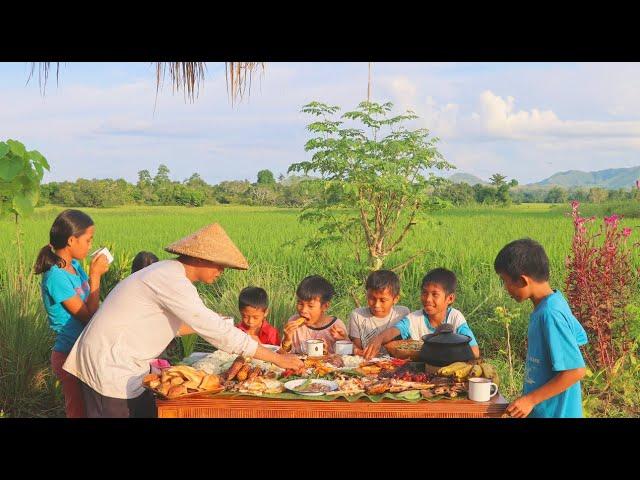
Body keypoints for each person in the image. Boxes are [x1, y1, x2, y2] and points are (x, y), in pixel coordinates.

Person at [62, 223, 303, 418]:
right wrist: (278, 359)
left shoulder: (171, 276)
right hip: (109, 366)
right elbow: (214, 329)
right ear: (199, 259)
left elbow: (174, 325)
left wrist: (220, 325)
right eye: (220, 265)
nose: (221, 272)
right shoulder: (170, 279)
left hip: (126, 365)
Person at [494, 238, 587, 418]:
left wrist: (530, 400)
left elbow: (575, 370)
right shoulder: (554, 302)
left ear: (522, 280)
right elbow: (578, 338)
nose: (506, 289)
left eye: (505, 281)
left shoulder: (550, 314)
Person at [34, 209, 110, 418]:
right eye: (88, 240)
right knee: (79, 412)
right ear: (71, 240)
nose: (90, 245)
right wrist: (95, 275)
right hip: (70, 355)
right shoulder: (56, 277)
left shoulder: (75, 267)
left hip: (84, 351)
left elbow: (92, 304)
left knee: (94, 409)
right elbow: (87, 315)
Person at [363, 268, 480, 360]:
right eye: (424, 293)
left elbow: (474, 351)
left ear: (450, 298)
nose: (428, 299)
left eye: (435, 294)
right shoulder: (414, 318)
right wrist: (379, 339)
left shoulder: (455, 317)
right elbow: (395, 330)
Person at [281, 275, 348, 355]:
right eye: (300, 303)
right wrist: (287, 340)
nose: (303, 310)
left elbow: (346, 358)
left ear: (325, 306)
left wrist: (344, 340)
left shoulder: (336, 327)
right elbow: (282, 356)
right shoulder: (294, 323)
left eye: (310, 306)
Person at [348, 270, 409, 356]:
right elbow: (357, 347)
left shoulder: (402, 313)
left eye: (383, 300)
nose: (377, 305)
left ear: (395, 299)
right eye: (372, 298)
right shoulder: (357, 316)